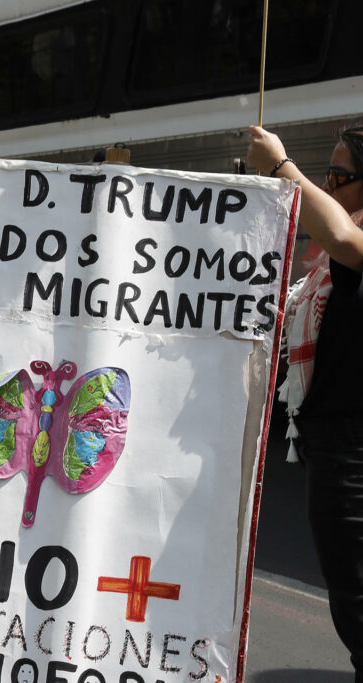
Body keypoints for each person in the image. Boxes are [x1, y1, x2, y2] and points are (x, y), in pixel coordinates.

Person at [248, 121, 363, 681]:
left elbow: (345, 240)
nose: (328, 186)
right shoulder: (333, 266)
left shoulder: (351, 246)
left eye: (338, 176)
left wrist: (281, 168)